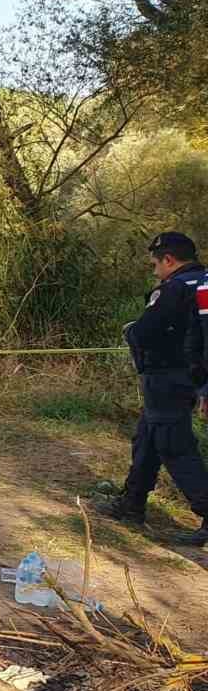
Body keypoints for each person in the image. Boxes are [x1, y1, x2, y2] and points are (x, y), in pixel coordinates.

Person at [107, 231, 208, 548]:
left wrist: (131, 331)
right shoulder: (202, 284)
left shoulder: (175, 289)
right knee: (148, 438)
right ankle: (132, 504)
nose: (154, 271)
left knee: (174, 446)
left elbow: (147, 332)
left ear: (169, 259)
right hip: (183, 378)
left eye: (156, 264)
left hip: (168, 378)